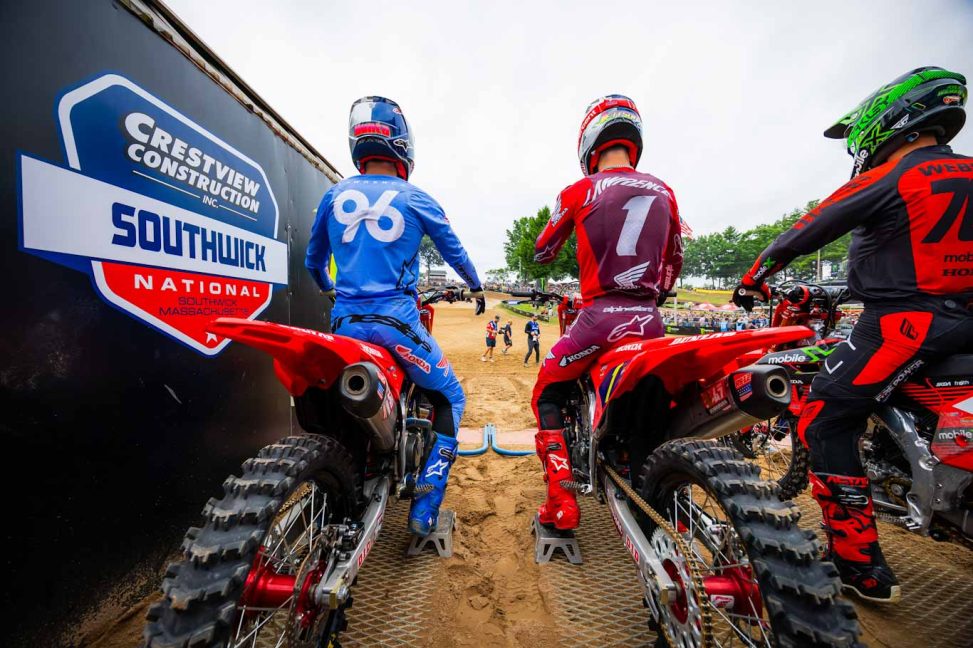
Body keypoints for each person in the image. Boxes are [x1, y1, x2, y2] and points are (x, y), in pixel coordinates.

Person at [732, 67, 973, 603]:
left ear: (887, 120)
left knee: (824, 417)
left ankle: (859, 565)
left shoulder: (895, 175)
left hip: (904, 323)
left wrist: (753, 279)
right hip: (962, 323)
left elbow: (808, 229)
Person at [305, 96, 486, 537]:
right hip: (397, 324)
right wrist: (476, 286)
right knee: (451, 397)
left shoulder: (333, 194)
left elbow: (313, 261)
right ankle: (426, 505)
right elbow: (454, 250)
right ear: (402, 147)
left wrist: (333, 292)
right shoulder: (416, 197)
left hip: (345, 325)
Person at [530, 95, 683, 530]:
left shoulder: (579, 190)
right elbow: (674, 261)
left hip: (598, 318)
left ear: (589, 143)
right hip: (650, 322)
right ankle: (651, 494)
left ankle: (561, 500)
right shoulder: (664, 190)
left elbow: (542, 250)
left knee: (546, 391)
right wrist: (658, 292)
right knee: (654, 412)